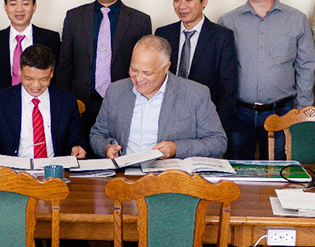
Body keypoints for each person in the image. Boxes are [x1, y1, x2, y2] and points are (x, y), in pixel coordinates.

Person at [218, 0, 315, 159]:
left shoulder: (296, 20)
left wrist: (301, 112)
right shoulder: (228, 21)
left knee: (277, 171)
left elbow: (306, 66)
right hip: (238, 114)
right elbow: (219, 69)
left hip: (282, 113)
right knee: (238, 171)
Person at [56, 0, 151, 140]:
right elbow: (64, 66)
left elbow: (146, 70)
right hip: (81, 105)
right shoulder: (74, 17)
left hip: (123, 105)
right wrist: (65, 104)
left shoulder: (140, 21)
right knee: (80, 153)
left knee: (119, 153)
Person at [89, 35, 227, 159]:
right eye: (134, 70)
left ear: (166, 67)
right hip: (124, 175)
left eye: (147, 73)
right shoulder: (115, 91)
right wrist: (107, 147)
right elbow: (97, 135)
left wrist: (176, 148)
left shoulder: (195, 94)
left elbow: (217, 143)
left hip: (170, 176)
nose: (139, 78)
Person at [0, 44, 87, 160]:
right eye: (29, 78)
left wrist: (78, 147)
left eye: (43, 79)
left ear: (51, 73)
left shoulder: (66, 99)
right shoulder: (1, 99)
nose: (36, 85)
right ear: (20, 71)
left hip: (54, 168)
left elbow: (77, 137)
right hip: (11, 168)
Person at [154, 0, 237, 125]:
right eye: (176, 0)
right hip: (166, 119)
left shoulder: (222, 37)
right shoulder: (163, 34)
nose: (181, 6)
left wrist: (215, 126)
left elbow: (228, 90)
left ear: (204, 0)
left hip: (205, 119)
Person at [0, 0, 60, 114]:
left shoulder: (51, 39)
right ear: (5, 7)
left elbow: (56, 80)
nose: (19, 9)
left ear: (34, 7)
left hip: (41, 109)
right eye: (13, 4)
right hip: (2, 110)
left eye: (25, 4)